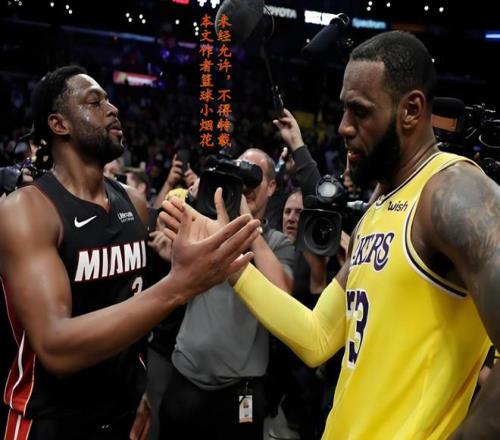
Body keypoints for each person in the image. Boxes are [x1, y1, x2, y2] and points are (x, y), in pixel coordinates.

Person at [162, 31, 500, 439]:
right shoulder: (378, 207)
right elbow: (317, 336)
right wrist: (230, 262)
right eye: (343, 110)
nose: (343, 127)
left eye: (360, 112)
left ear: (411, 110)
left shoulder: (455, 192)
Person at [0, 65, 260, 440]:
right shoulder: (26, 211)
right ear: (59, 124)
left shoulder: (133, 202)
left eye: (109, 99)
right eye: (94, 102)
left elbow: (134, 306)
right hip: (49, 420)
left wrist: (141, 388)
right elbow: (55, 348)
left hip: (121, 413)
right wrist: (179, 285)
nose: (113, 109)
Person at [159, 148, 295, 440]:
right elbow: (163, 231)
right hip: (185, 380)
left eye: (254, 178)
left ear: (272, 186)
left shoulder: (277, 243)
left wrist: (248, 227)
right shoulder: (206, 230)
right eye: (238, 178)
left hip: (239, 392)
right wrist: (196, 196)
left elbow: (283, 293)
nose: (244, 188)